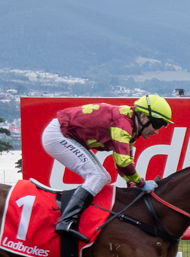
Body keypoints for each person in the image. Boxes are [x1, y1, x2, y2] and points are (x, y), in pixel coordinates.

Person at [41, 95, 173, 241]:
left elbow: (125, 163)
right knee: (97, 176)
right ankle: (66, 221)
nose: (156, 132)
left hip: (65, 134)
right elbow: (123, 162)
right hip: (58, 135)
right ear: (143, 117)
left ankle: (73, 218)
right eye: (157, 125)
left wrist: (132, 183)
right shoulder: (123, 123)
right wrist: (141, 183)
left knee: (103, 177)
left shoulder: (130, 124)